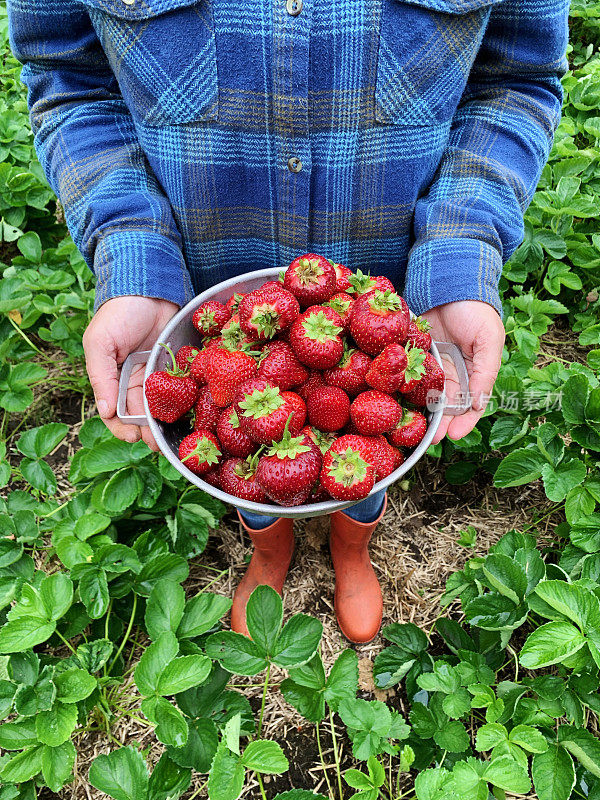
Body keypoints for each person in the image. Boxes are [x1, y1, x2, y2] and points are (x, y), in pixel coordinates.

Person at [8, 0, 568, 643]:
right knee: (250, 470)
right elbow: (70, 76)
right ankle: (269, 550)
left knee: (359, 461)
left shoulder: (373, 362)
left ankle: (351, 547)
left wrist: (459, 251)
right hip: (211, 300)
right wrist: (135, 254)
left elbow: (515, 79)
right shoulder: (223, 375)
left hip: (384, 297)